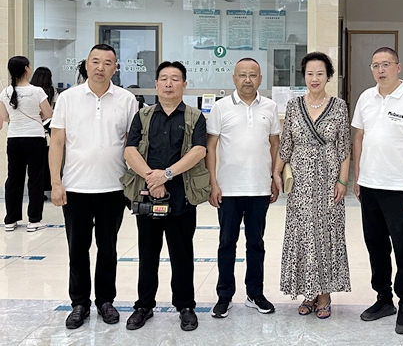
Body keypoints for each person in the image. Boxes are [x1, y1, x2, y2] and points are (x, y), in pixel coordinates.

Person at [49, 44, 138, 329]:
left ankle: (105, 301)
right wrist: (56, 183)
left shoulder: (127, 99)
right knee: (77, 249)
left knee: (108, 249)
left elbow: (132, 144)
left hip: (113, 187)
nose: (101, 67)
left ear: (115, 68)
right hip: (76, 187)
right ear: (86, 64)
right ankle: (79, 303)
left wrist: (134, 185)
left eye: (107, 63)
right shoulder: (68, 98)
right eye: (95, 61)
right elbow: (57, 142)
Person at [124, 61, 207, 332]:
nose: (169, 84)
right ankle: (143, 306)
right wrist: (152, 177)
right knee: (147, 254)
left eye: (175, 79)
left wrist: (166, 175)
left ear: (184, 84)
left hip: (182, 198)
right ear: (156, 84)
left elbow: (199, 151)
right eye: (164, 78)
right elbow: (130, 150)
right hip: (147, 196)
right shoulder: (143, 115)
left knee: (182, 255)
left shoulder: (195, 117)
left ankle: (185, 306)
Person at [351, 47, 403, 335]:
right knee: (376, 245)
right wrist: (358, 175)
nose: (380, 70)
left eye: (386, 64)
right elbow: (359, 137)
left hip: (399, 187)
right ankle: (384, 298)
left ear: (398, 67)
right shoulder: (366, 98)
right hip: (370, 185)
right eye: (375, 65)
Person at [274, 51, 351, 319]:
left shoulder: (339, 106)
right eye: (309, 73)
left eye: (320, 73)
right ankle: (308, 291)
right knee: (304, 234)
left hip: (329, 178)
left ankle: (325, 293)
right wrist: (276, 172)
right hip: (301, 182)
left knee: (327, 234)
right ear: (303, 76)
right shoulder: (293, 106)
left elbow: (344, 147)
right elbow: (286, 144)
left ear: (328, 76)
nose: (314, 78)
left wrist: (343, 180)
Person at [206, 58, 280, 319]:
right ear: (234, 78)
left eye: (252, 75)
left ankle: (255, 293)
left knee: (256, 243)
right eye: (242, 75)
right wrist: (213, 183)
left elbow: (275, 144)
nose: (247, 80)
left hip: (259, 187)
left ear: (260, 79)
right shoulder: (220, 107)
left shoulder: (270, 107)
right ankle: (224, 295)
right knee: (227, 243)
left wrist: (274, 177)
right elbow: (211, 146)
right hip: (228, 188)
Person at [0, 56, 53, 232]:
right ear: (27, 69)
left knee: (14, 179)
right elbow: (48, 113)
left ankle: (10, 220)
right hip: (35, 138)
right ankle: (34, 220)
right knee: (35, 179)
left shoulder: (5, 92)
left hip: (14, 138)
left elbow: (4, 118)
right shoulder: (37, 91)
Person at [30, 66, 58, 194]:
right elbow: (54, 109)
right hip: (48, 128)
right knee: (47, 162)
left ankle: (36, 191)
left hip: (33, 127)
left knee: (33, 164)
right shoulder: (52, 91)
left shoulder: (31, 90)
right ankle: (47, 187)